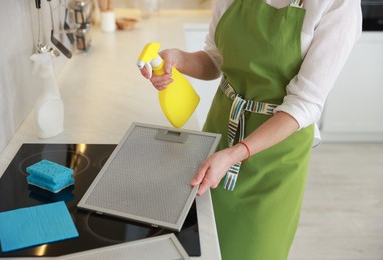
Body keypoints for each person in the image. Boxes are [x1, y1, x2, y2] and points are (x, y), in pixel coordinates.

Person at [139, 0, 362, 259]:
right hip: (219, 135)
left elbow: (305, 104)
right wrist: (178, 59)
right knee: (205, 243)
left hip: (274, 154)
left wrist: (236, 153)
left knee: (257, 248)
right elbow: (215, 59)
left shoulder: (339, 4)